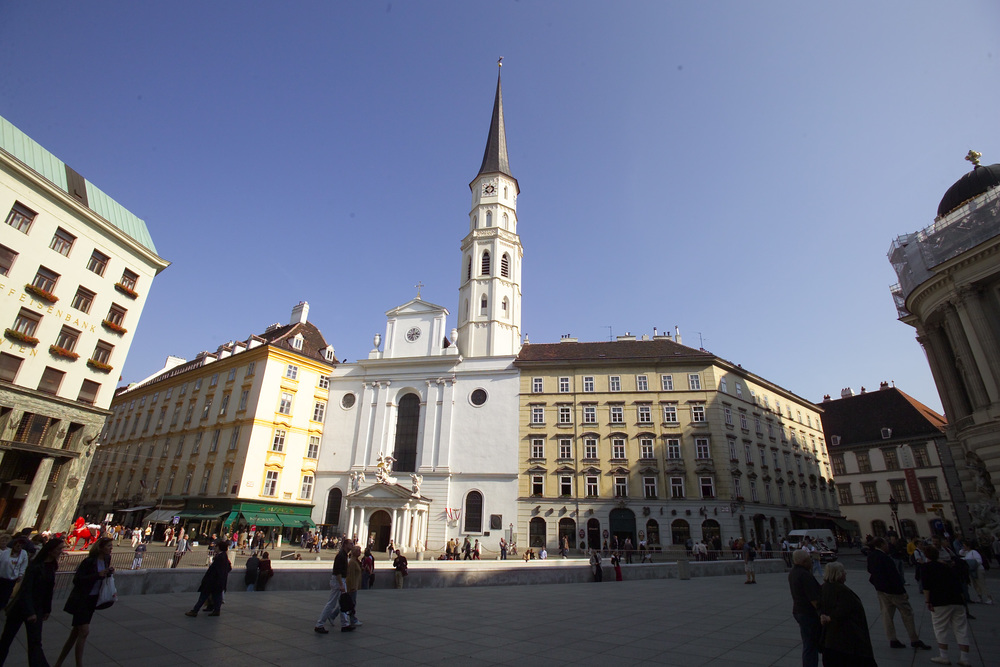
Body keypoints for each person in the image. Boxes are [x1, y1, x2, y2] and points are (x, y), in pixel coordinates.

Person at [0, 537, 63, 666]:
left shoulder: (51, 566)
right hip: (22, 608)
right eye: (59, 549)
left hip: (37, 607)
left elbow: (48, 591)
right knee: (6, 640)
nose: (61, 551)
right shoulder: (36, 566)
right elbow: (26, 590)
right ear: (50, 551)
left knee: (35, 643)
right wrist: (30, 612)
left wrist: (47, 609)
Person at [52, 537, 115, 667]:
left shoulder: (107, 560)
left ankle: (59, 663)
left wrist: (108, 572)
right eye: (109, 546)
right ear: (101, 547)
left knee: (75, 634)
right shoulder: (89, 561)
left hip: (93, 599)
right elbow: (77, 579)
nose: (111, 548)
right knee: (84, 632)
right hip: (82, 599)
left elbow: (102, 576)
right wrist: (98, 575)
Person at [866, 536, 932, 650]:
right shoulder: (885, 558)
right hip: (894, 592)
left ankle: (892, 639)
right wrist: (902, 591)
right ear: (882, 545)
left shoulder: (871, 556)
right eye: (886, 544)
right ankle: (914, 639)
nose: (887, 546)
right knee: (907, 614)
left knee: (887, 615)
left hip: (881, 591)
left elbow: (870, 571)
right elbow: (894, 576)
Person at [818, 562, 877, 667]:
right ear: (839, 574)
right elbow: (844, 610)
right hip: (846, 640)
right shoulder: (842, 591)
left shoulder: (823, 588)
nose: (845, 573)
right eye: (843, 572)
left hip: (830, 641)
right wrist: (830, 617)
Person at [922, 545, 972, 666]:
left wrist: (928, 601)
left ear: (926, 556)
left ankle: (944, 656)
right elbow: (958, 584)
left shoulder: (926, 568)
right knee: (961, 629)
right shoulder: (947, 567)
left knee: (940, 628)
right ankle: (964, 658)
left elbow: (926, 587)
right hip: (957, 600)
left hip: (940, 601)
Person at [788, 549, 822, 667]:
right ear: (804, 561)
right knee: (811, 644)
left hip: (798, 611)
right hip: (807, 613)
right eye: (809, 560)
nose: (811, 562)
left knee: (808, 643)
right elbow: (813, 598)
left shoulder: (793, 573)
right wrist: (821, 613)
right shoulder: (805, 575)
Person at [314, 539, 354, 633]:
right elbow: (338, 572)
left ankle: (345, 624)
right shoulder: (340, 556)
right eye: (350, 544)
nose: (352, 545)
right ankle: (319, 624)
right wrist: (341, 584)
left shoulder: (344, 555)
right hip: (338, 581)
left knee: (343, 603)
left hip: (340, 580)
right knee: (331, 603)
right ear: (345, 545)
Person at [185, 539, 231, 617]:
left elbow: (218, 571)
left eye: (216, 546)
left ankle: (195, 611)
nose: (215, 548)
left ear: (219, 547)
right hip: (217, 582)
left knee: (204, 596)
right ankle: (214, 609)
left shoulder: (220, 558)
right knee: (215, 596)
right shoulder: (223, 556)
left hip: (213, 582)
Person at [0, 538, 29, 609]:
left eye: (21, 546)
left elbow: (23, 564)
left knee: (7, 593)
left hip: (12, 578)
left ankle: (2, 605)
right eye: (18, 546)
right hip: (2, 576)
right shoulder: (5, 552)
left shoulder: (23, 553)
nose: (19, 548)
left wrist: (20, 574)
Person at [345, 545, 363, 627]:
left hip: (354, 585)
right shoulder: (352, 562)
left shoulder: (356, 561)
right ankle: (353, 619)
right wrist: (352, 586)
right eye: (359, 551)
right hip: (352, 586)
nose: (360, 552)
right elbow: (350, 575)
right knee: (351, 604)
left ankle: (332, 615)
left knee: (347, 603)